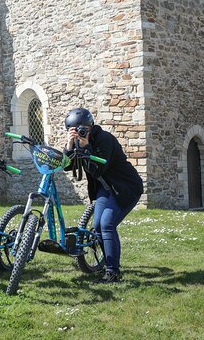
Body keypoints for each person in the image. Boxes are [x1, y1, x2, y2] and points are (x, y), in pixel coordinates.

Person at [63, 107, 143, 283]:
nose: (80, 133)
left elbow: (97, 169)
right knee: (98, 227)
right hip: (105, 188)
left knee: (107, 224)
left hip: (125, 187)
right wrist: (69, 147)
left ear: (90, 125)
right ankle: (107, 266)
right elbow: (66, 166)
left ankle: (112, 272)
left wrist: (86, 147)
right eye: (75, 130)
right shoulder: (76, 142)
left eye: (83, 129)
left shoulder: (105, 139)